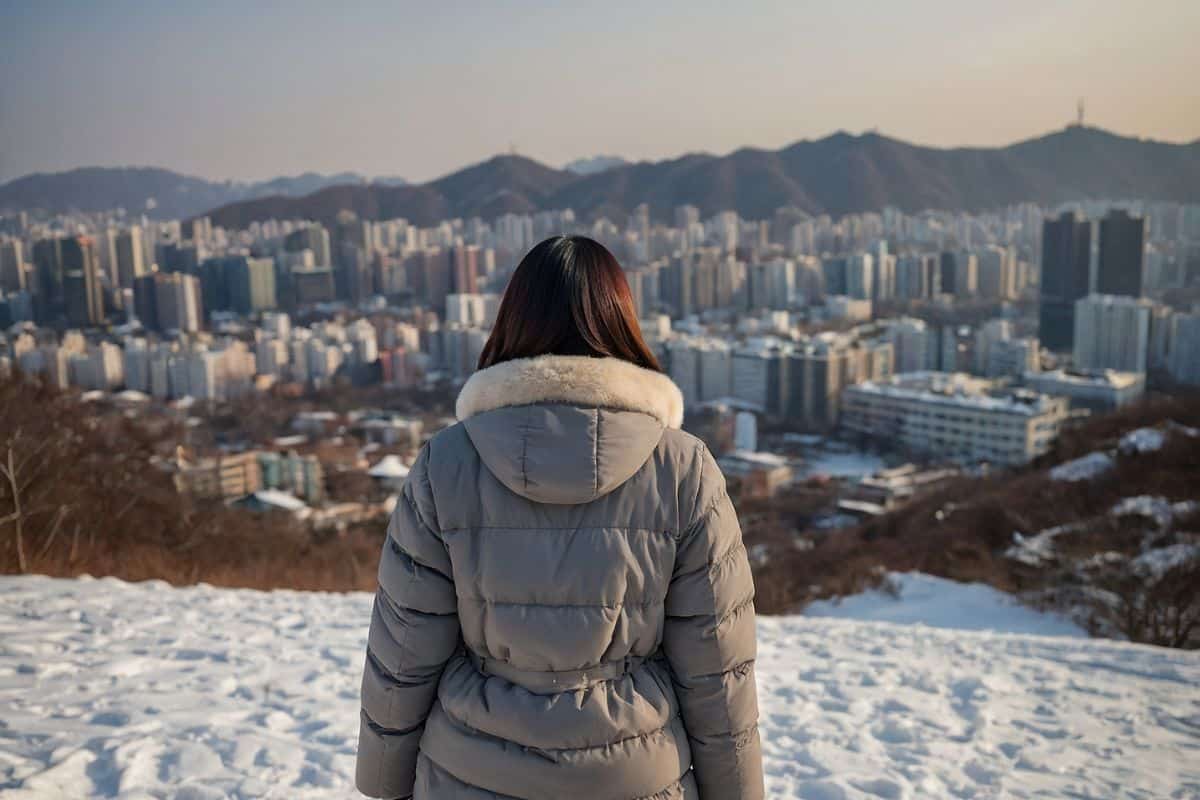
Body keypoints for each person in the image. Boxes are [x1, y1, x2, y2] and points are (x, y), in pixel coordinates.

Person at [356, 235, 763, 799]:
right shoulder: (683, 467)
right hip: (634, 776)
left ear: (511, 322)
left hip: (471, 774)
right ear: (621, 321)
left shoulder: (445, 464)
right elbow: (718, 666)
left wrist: (383, 783)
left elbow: (403, 651)